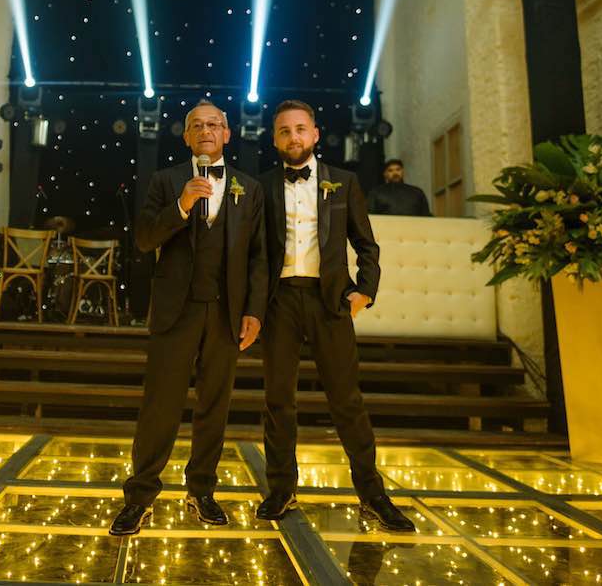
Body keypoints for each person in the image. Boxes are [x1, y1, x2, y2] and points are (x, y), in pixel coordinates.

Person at [255, 100, 415, 532]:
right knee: (278, 400)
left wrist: (365, 291)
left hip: (330, 302)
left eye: (300, 129)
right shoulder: (261, 186)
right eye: (284, 131)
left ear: (315, 134)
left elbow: (367, 244)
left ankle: (373, 495)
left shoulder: (344, 182)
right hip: (279, 302)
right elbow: (254, 253)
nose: (293, 137)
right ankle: (281, 489)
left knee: (346, 401)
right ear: (275, 139)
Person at [110, 101, 268, 536]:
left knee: (214, 406)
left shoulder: (250, 188)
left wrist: (255, 311)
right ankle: (140, 496)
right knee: (160, 406)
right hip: (175, 310)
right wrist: (180, 206)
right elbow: (144, 239)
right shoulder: (165, 181)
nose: (205, 130)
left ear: (227, 134)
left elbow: (259, 257)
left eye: (213, 124)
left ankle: (202, 491)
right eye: (196, 125)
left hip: (226, 312)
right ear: (185, 136)